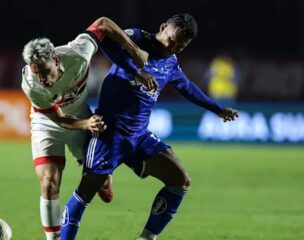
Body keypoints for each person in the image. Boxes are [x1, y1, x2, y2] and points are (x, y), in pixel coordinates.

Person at [60, 13, 239, 240]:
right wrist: (137, 72)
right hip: (109, 133)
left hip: (139, 136)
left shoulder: (171, 64)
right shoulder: (137, 38)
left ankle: (146, 237)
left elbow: (187, 87)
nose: (173, 48)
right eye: (172, 40)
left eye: (180, 47)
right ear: (163, 27)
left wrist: (217, 109)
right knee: (85, 193)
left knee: (180, 180)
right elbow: (105, 43)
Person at [21, 17, 148, 240]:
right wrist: (86, 124)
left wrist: (134, 48)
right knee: (49, 181)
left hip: (80, 115)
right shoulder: (31, 84)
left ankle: (101, 179)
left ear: (56, 60)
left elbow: (103, 23)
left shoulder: (78, 52)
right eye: (36, 72)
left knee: (100, 180)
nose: (42, 78)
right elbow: (59, 120)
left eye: (45, 71)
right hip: (48, 124)